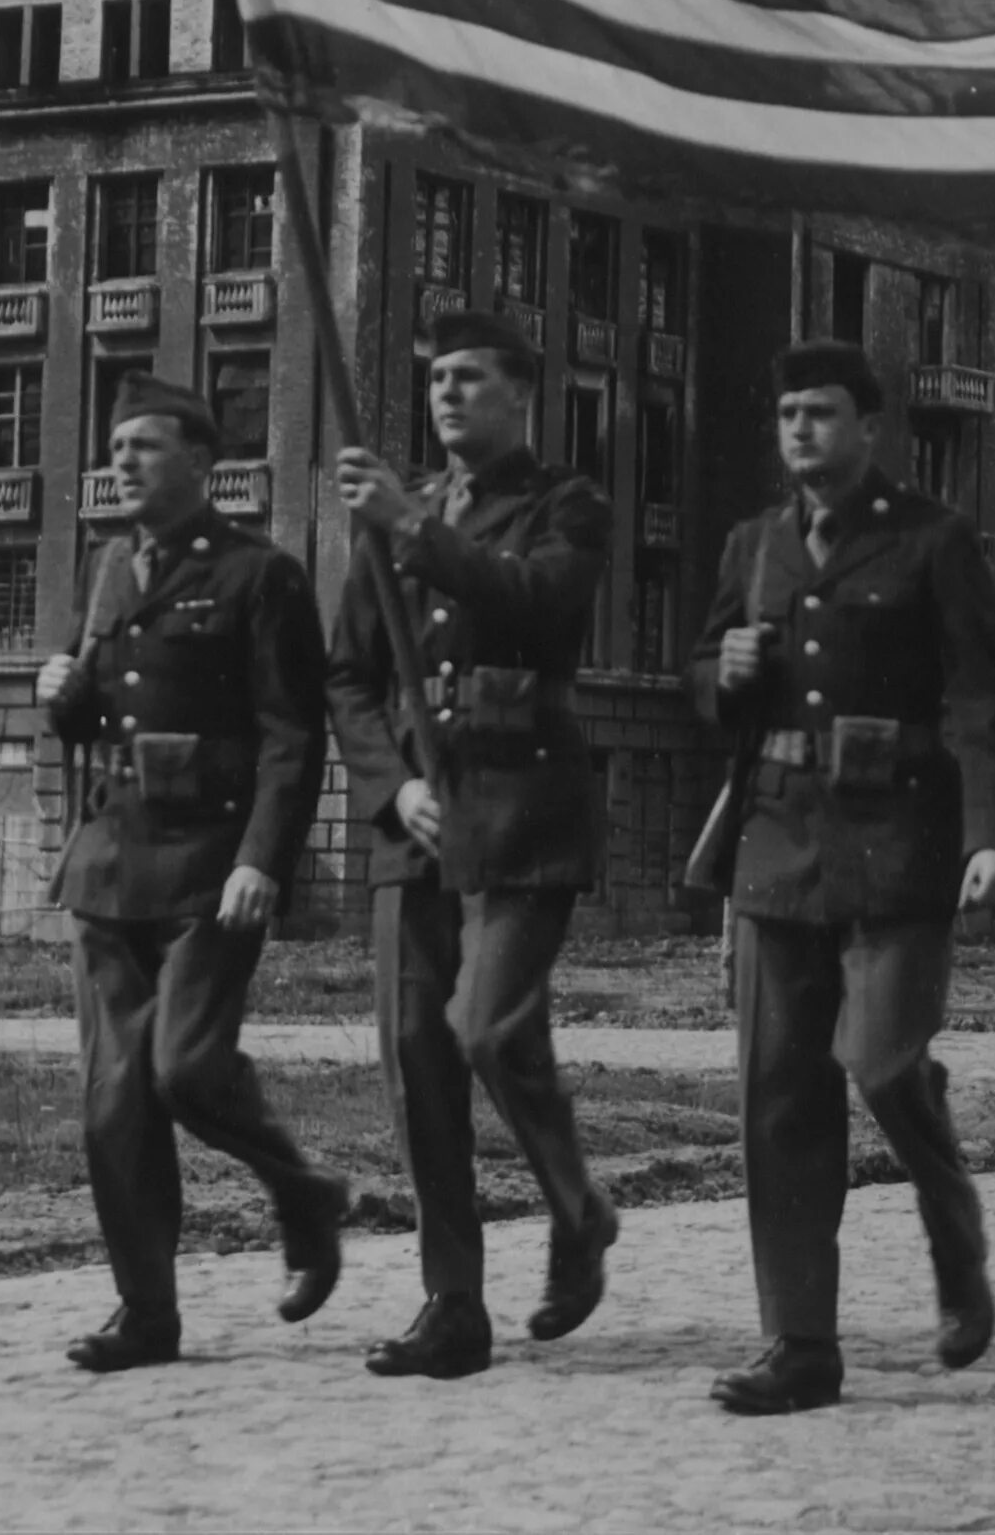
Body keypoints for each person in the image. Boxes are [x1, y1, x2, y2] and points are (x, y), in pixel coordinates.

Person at [687, 340, 995, 1416]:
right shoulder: (752, 546)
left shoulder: (932, 541)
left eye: (822, 411)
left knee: (881, 1063)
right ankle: (799, 1340)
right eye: (787, 412)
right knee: (780, 1096)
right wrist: (720, 673)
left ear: (870, 427)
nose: (801, 430)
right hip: (777, 848)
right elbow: (703, 676)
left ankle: (954, 1229)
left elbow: (980, 700)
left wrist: (991, 837)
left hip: (899, 847)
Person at [37, 372, 344, 1372]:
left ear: (205, 463)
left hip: (212, 871)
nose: (121, 460)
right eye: (115, 445)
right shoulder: (107, 566)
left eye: (145, 445)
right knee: (115, 1098)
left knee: (185, 1066)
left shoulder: (262, 574)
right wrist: (63, 697)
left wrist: (264, 858)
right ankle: (146, 1312)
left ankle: (300, 1186)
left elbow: (293, 735)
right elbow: (101, 716)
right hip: (108, 866)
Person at [331, 310, 617, 1382]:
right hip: (420, 819)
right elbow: (350, 673)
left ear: (520, 395)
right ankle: (452, 1300)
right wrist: (390, 783)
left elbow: (541, 608)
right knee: (418, 1062)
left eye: (470, 377)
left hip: (522, 807)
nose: (447, 393)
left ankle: (576, 1206)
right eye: (436, 375)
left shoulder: (563, 501)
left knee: (486, 1027)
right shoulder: (397, 510)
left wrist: (413, 528)